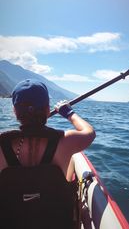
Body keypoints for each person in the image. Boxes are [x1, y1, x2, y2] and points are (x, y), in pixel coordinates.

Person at [0, 79, 96, 229]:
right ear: (47, 110)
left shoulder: (2, 144)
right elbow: (89, 133)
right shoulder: (65, 142)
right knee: (71, 161)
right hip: (55, 222)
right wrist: (68, 112)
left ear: (15, 112)